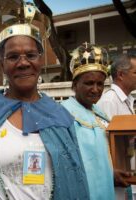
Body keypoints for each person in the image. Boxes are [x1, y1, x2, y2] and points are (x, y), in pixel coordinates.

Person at [0, 1, 89, 199]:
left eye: (30, 55)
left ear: (40, 60)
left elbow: (75, 178)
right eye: (13, 56)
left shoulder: (60, 116)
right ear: (2, 64)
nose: (23, 63)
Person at [61, 43, 117, 200]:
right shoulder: (64, 115)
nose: (96, 89)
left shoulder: (101, 114)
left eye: (100, 84)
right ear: (74, 85)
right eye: (89, 83)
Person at [97, 54, 136, 199]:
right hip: (115, 180)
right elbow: (106, 143)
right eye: (135, 73)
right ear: (120, 75)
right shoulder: (109, 101)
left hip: (127, 173)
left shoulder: (126, 100)